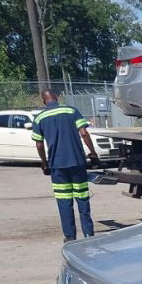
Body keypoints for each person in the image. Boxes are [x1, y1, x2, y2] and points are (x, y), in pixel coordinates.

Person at [32, 90, 100, 242]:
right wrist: (93, 153)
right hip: (77, 163)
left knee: (64, 201)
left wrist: (45, 163)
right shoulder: (71, 110)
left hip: (57, 166)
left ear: (43, 101)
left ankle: (69, 236)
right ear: (57, 98)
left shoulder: (40, 118)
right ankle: (88, 234)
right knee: (82, 199)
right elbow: (84, 133)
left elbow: (38, 145)